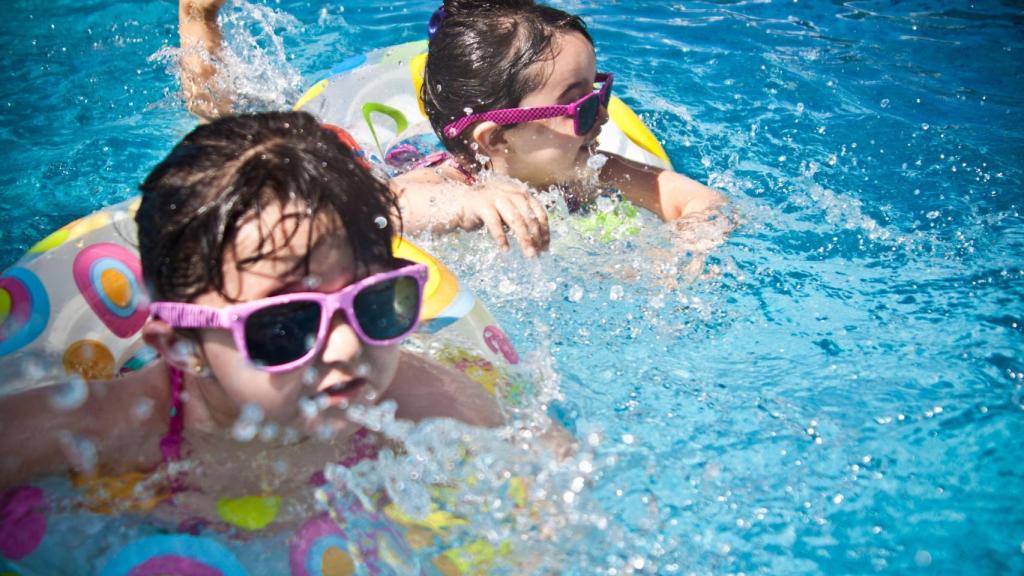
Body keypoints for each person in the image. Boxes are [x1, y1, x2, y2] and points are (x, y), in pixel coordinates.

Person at [0, 112, 503, 522]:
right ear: (183, 345)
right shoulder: (110, 429)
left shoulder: (422, 402)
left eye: (374, 302)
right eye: (285, 326)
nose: (348, 348)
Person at [178, 0, 727, 258]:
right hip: (387, 155)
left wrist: (684, 254)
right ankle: (199, 18)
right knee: (237, 139)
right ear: (493, 140)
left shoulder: (592, 170)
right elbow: (373, 214)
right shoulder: (447, 185)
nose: (602, 117)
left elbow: (697, 202)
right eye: (580, 108)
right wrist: (463, 208)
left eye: (599, 93)